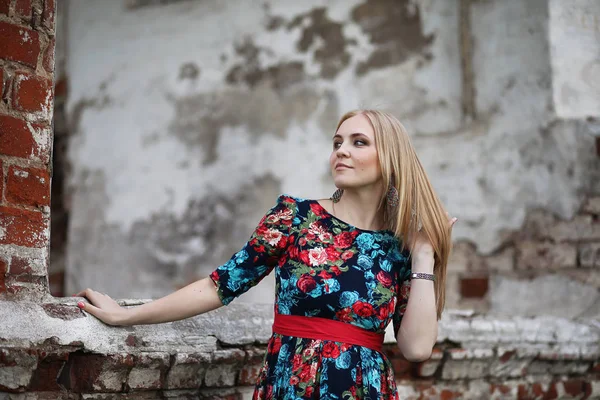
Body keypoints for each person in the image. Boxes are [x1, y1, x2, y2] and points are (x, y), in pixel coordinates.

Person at [76, 109, 457, 399]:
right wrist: (127, 316)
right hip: (291, 383)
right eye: (337, 142)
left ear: (390, 158)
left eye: (359, 142)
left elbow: (417, 347)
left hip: (366, 389)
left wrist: (424, 257)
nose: (341, 150)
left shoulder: (398, 247)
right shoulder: (295, 217)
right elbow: (220, 286)